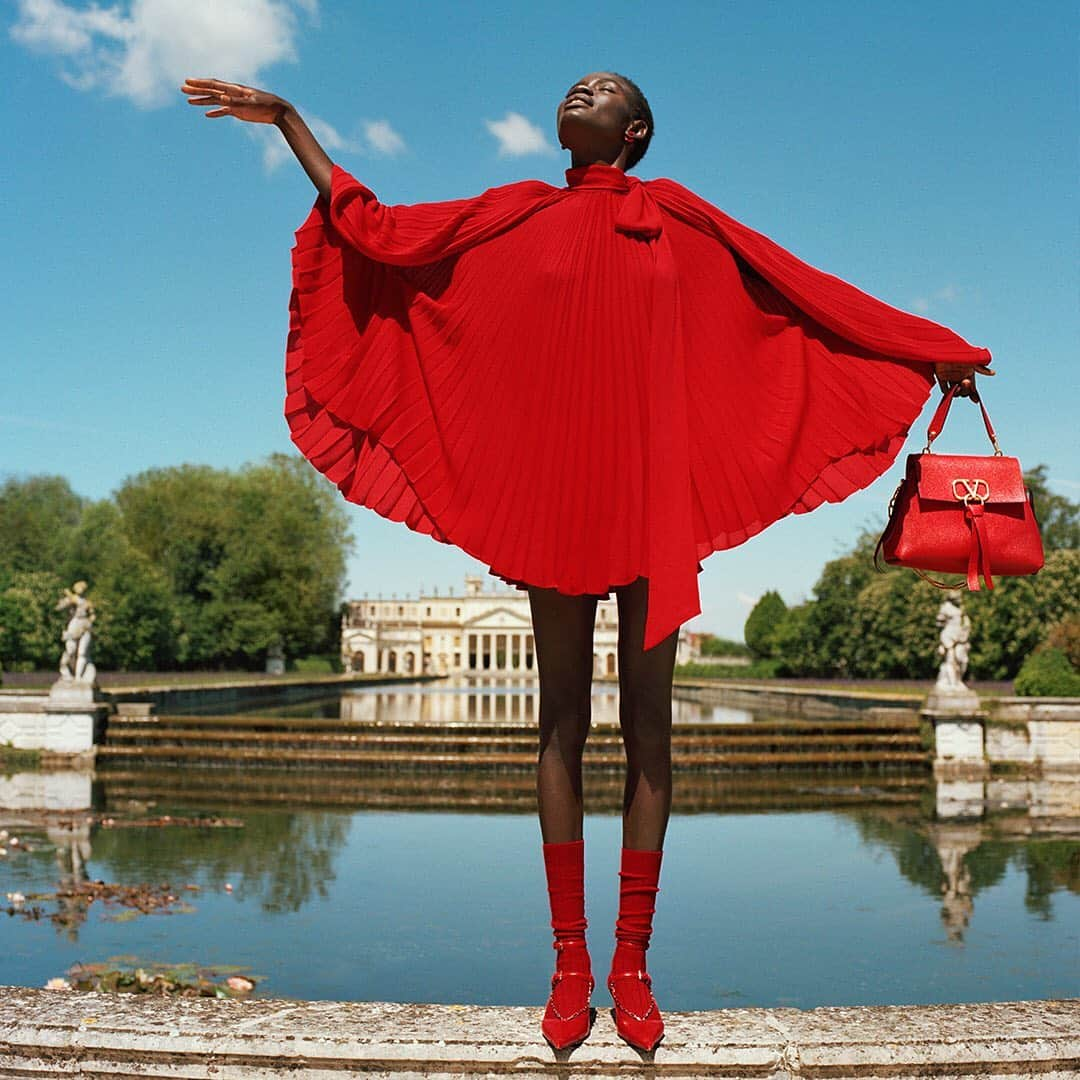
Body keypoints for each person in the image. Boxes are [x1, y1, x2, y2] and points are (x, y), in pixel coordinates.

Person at [182, 71, 992, 1054]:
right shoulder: (514, 213)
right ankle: (570, 960)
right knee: (559, 721)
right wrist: (291, 126)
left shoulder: (681, 218)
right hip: (560, 492)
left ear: (635, 129)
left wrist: (927, 346)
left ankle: (632, 960)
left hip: (654, 492)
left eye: (602, 90)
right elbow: (383, 235)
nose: (579, 93)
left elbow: (801, 292)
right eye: (573, 86)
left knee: (649, 726)